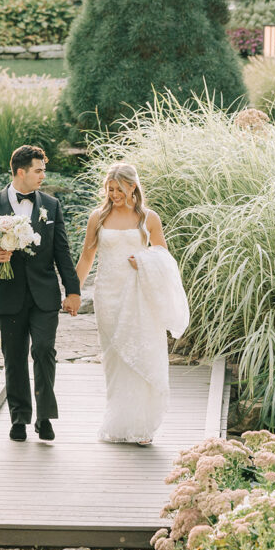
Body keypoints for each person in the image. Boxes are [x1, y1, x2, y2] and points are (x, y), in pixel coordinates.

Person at [0, 144, 81, 442]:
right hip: (8, 294)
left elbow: (62, 252)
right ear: (21, 172)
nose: (43, 175)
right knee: (15, 357)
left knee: (44, 351)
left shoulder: (51, 205)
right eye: (38, 170)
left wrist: (73, 291)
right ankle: (19, 418)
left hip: (44, 294)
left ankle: (44, 417)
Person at [76, 162, 189, 446]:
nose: (113, 194)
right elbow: (87, 259)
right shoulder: (98, 218)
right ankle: (118, 423)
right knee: (115, 359)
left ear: (133, 187)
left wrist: (144, 259)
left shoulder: (148, 218)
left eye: (119, 189)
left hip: (139, 294)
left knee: (142, 354)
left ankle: (142, 427)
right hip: (107, 295)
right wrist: (73, 292)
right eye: (110, 189)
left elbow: (163, 255)